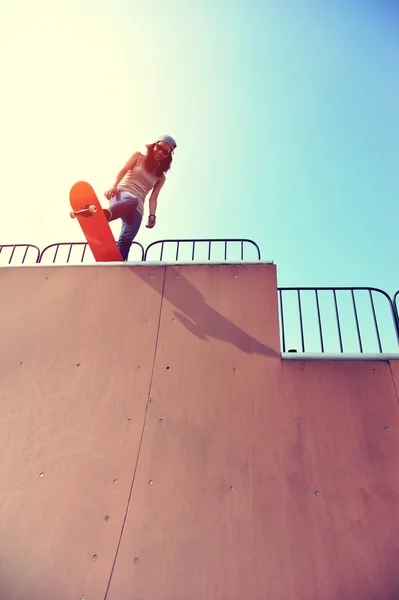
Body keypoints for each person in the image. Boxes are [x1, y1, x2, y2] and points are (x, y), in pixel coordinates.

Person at [103, 134, 177, 261]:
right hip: (121, 194)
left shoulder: (161, 177)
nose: (160, 152)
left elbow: (153, 198)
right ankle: (105, 216)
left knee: (127, 239)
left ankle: (118, 265)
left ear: (168, 156)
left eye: (165, 152)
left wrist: (152, 215)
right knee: (132, 200)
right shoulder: (138, 156)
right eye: (159, 147)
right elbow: (123, 170)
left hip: (137, 207)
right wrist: (113, 186)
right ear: (154, 145)